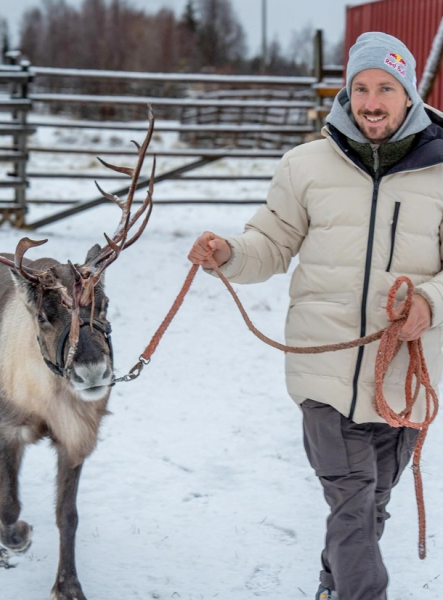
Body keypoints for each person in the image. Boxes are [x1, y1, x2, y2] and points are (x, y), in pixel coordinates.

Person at [188, 32, 443, 600]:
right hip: (323, 375)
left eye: (385, 88)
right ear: (346, 94)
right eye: (360, 88)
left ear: (409, 96)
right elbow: (271, 243)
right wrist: (229, 254)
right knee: (353, 502)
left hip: (403, 375)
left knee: (370, 507)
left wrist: (430, 301)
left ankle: (332, 587)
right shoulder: (305, 165)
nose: (371, 102)